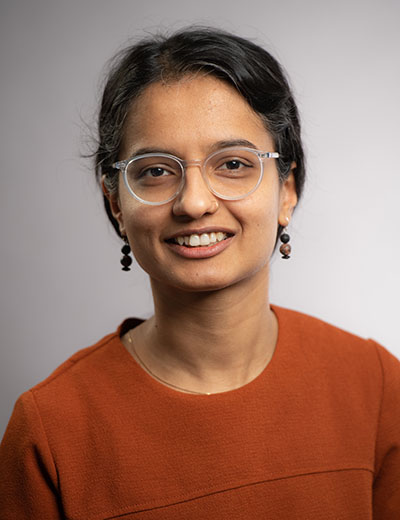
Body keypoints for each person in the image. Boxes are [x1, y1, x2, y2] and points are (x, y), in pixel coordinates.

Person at [0, 26, 399, 520]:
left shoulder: (374, 384)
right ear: (115, 203)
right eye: (155, 170)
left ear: (287, 189)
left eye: (232, 163)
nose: (193, 203)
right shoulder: (50, 429)